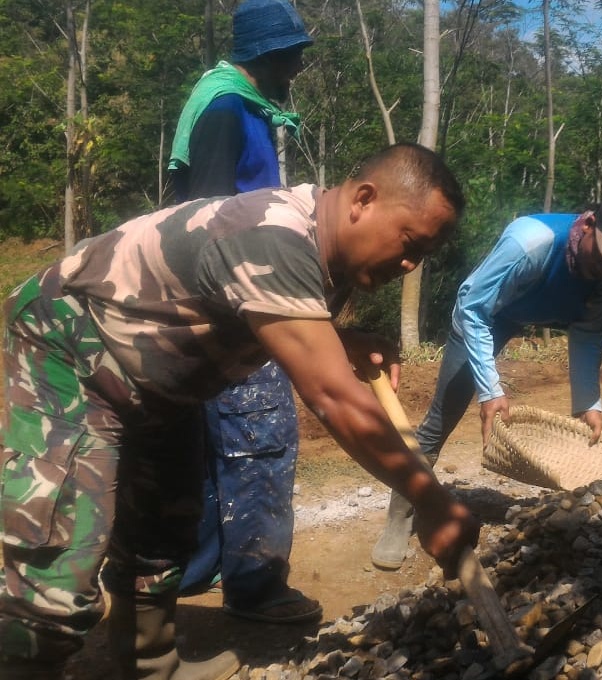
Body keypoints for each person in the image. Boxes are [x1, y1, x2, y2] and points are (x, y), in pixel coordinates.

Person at [0, 142, 480, 680]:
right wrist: (429, 498)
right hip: (72, 348)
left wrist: (338, 338)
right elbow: (333, 398)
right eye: (410, 242)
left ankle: (150, 664)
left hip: (160, 376)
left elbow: (254, 310)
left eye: (425, 254)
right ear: (363, 200)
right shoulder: (274, 234)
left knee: (166, 519)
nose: (411, 263)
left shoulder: (333, 252)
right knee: (59, 548)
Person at [371, 191, 602, 570]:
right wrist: (491, 391)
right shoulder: (530, 242)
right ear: (589, 224)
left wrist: (588, 403)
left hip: (556, 309)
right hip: (486, 314)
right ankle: (402, 513)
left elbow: (588, 328)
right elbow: (472, 307)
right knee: (442, 415)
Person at [168, 0, 320, 624]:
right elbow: (206, 218)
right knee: (258, 436)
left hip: (229, 295)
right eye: (292, 53)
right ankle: (256, 587)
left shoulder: (239, 104)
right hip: (237, 301)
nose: (298, 64)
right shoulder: (228, 110)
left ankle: (198, 568)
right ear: (265, 53)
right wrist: (249, 310)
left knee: (214, 444)